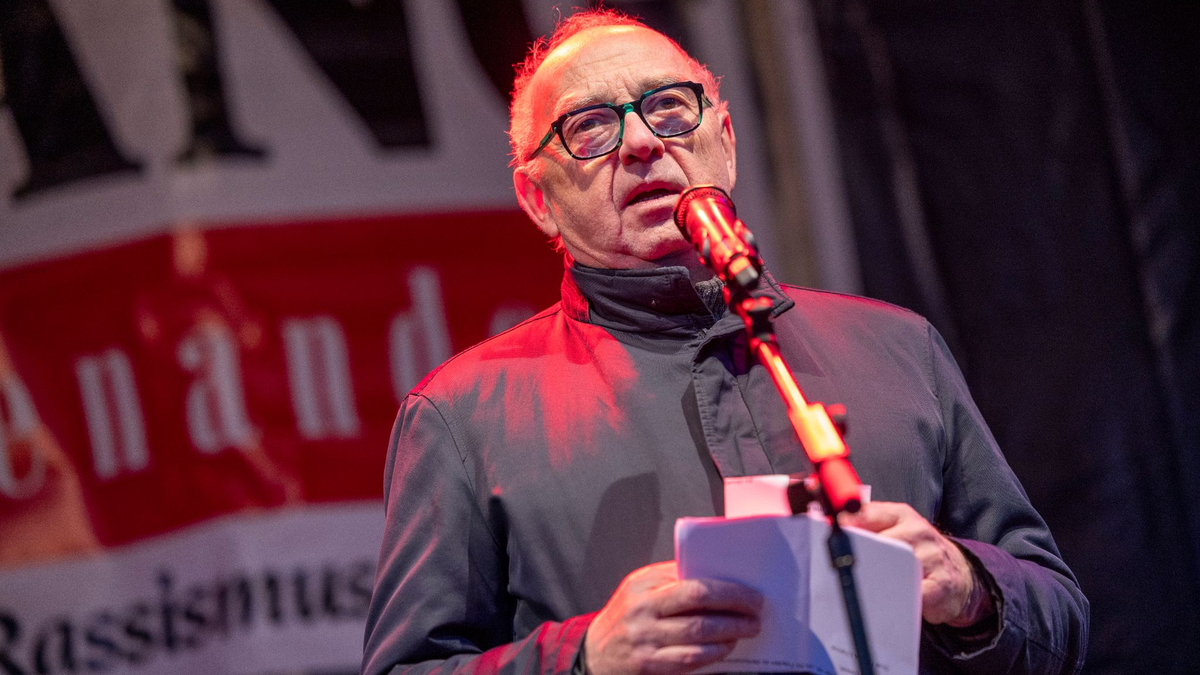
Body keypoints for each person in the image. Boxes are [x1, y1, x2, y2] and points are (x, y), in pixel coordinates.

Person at [361, 9, 1088, 675]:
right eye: (590, 126)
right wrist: (583, 657)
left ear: (726, 143)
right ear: (537, 198)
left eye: (669, 108)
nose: (643, 142)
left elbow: (1062, 614)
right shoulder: (464, 414)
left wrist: (971, 588)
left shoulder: (897, 347)